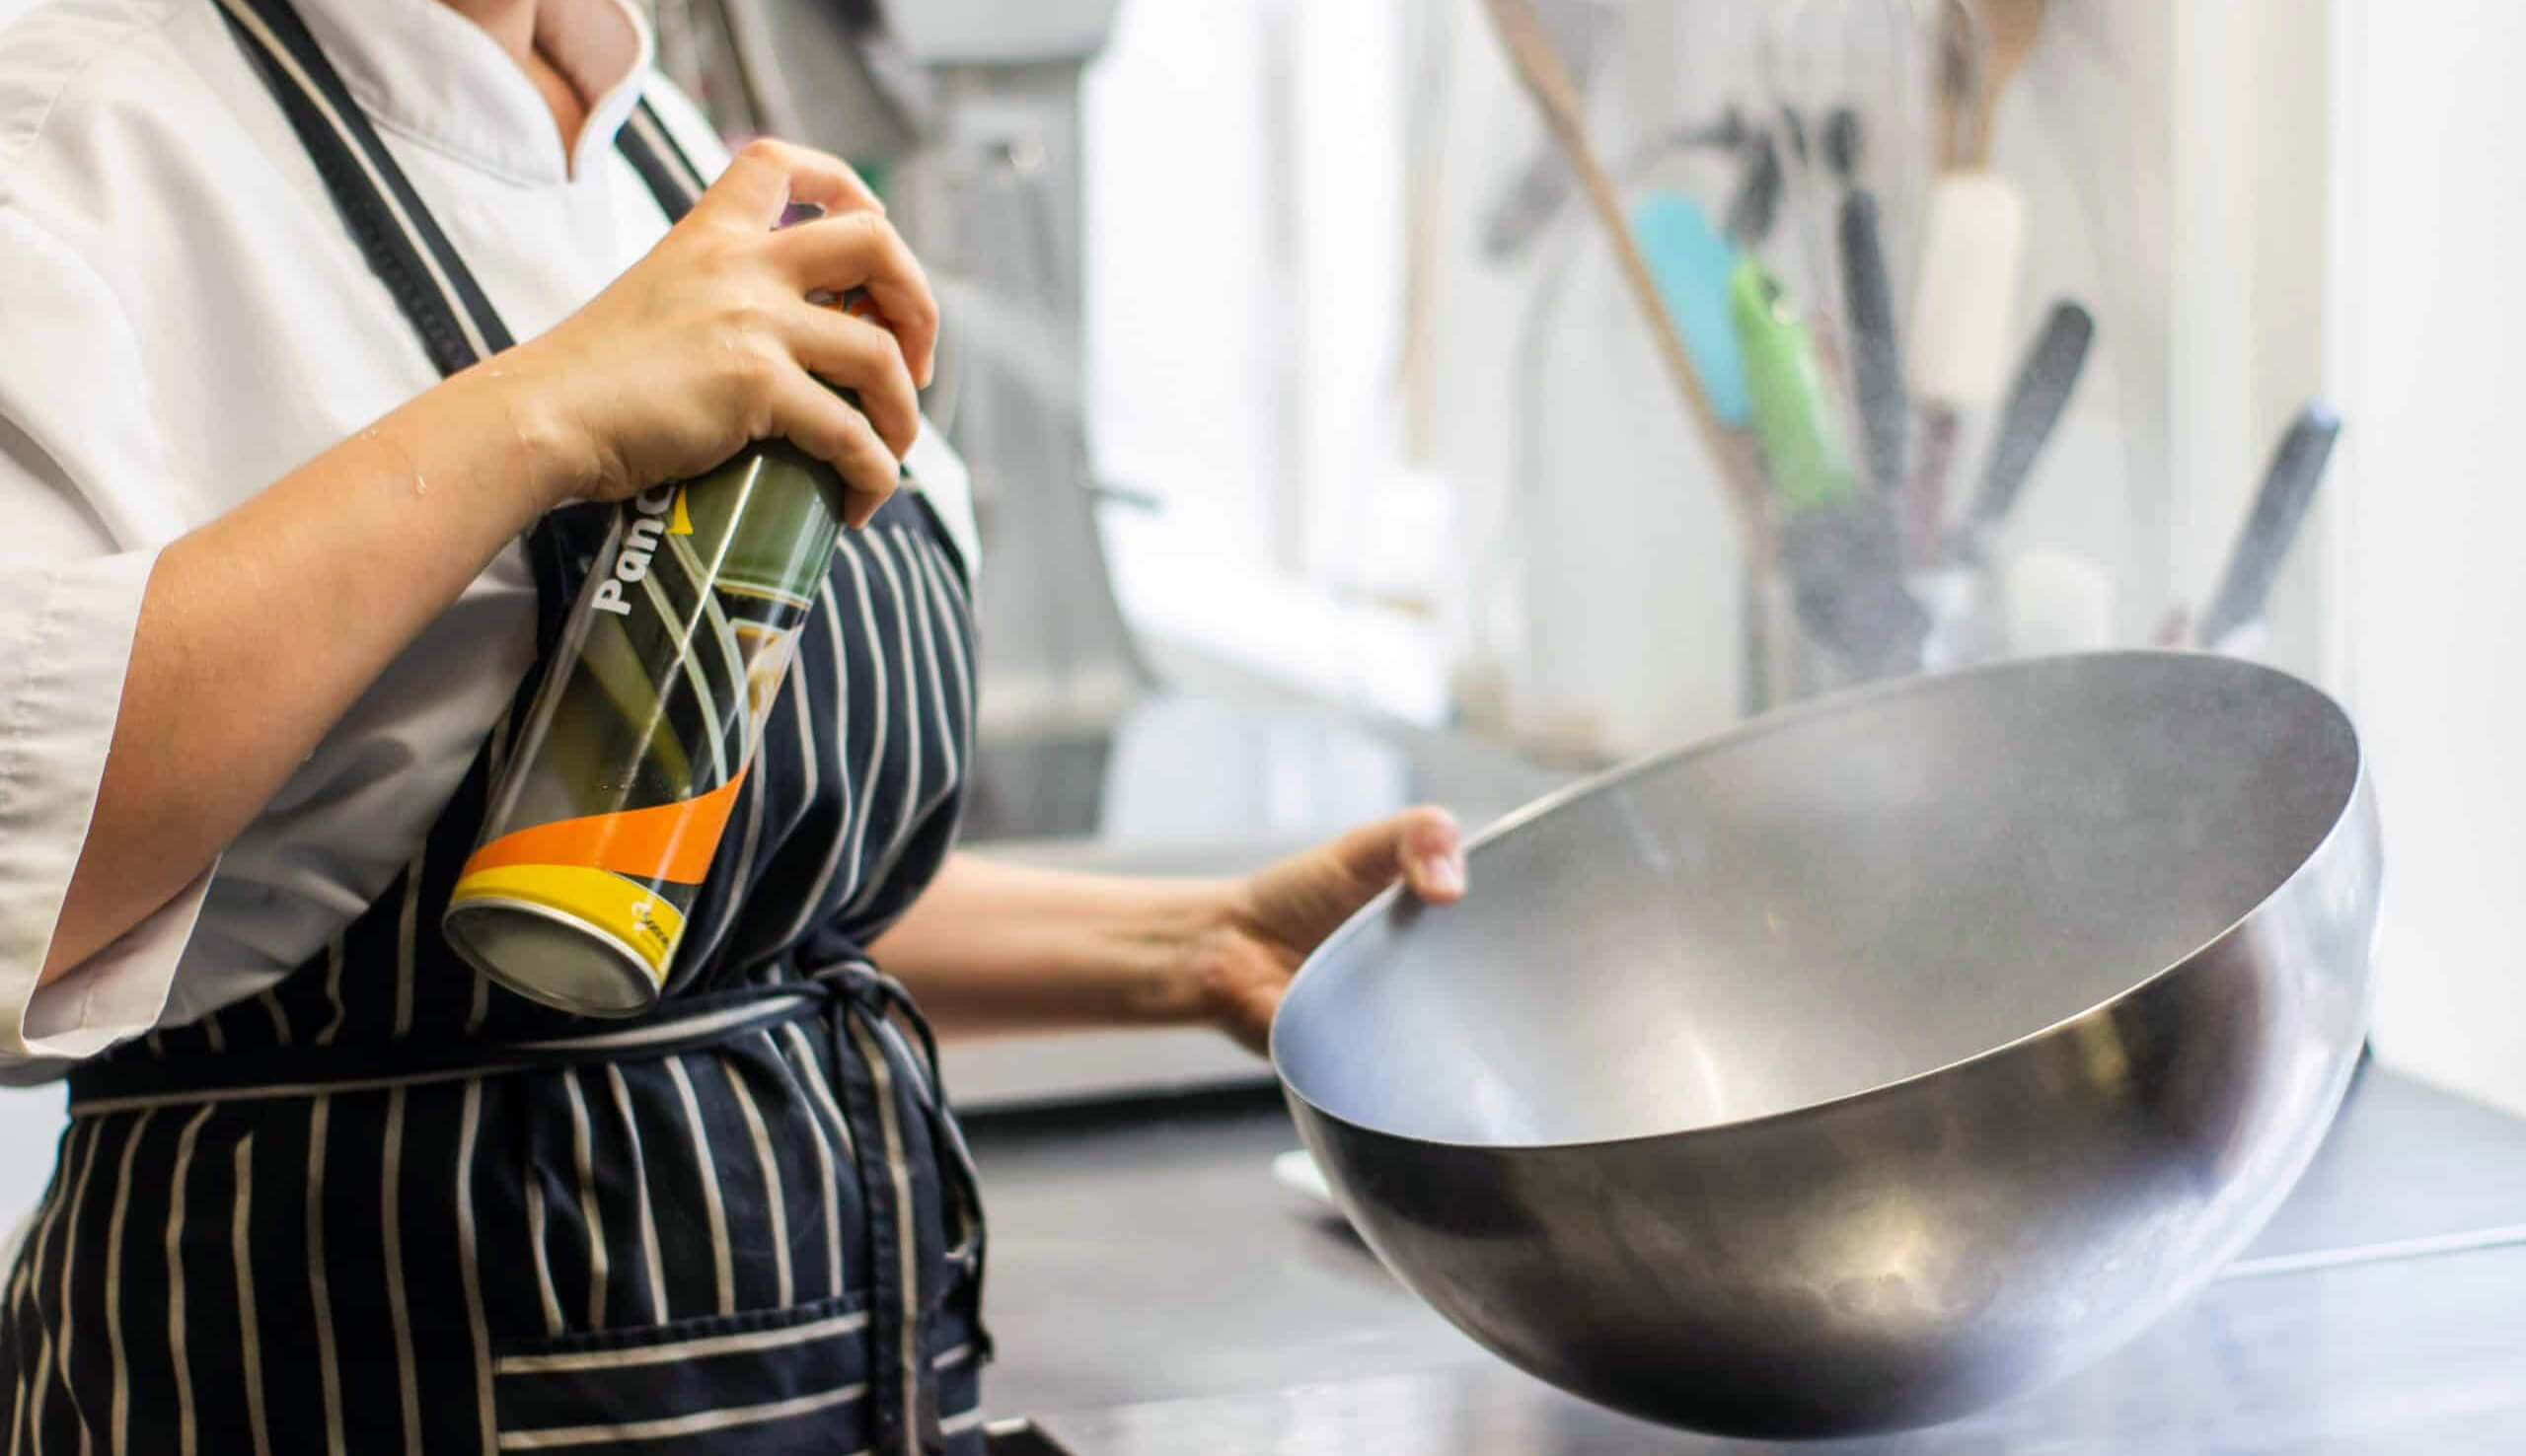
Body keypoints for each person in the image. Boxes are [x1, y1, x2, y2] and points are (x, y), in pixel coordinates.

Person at [0, 1, 1470, 1451]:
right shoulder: (82, 128)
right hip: (333, 1370)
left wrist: (1185, 951)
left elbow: (656, 877)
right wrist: (544, 412)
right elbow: (26, 868)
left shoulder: (651, 142)